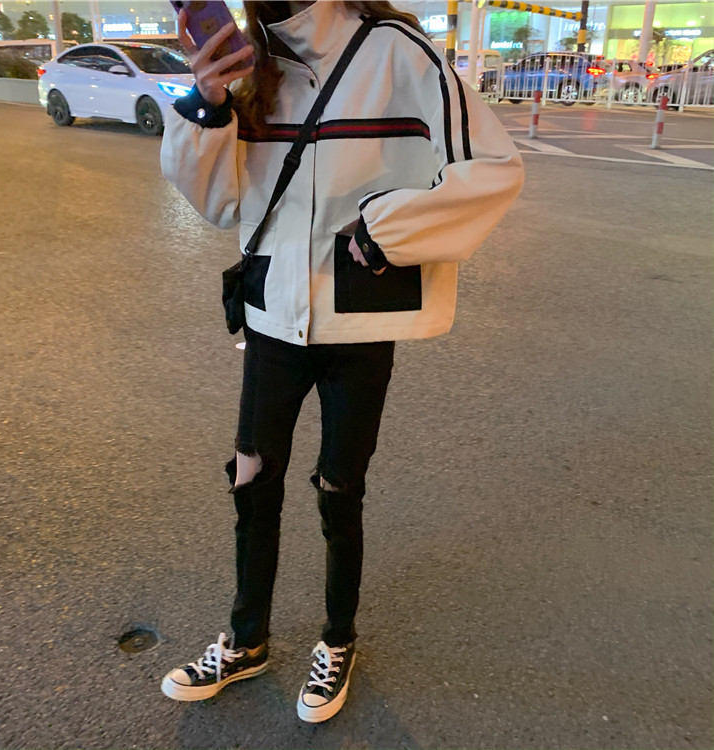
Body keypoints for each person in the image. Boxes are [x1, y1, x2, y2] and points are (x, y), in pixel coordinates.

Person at [159, 0, 523, 723]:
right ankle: (246, 638)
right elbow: (220, 204)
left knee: (340, 487)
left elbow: (494, 168)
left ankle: (337, 640)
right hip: (271, 316)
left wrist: (389, 230)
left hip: (359, 318)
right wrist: (207, 104)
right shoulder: (252, 66)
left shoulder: (398, 52)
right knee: (251, 480)